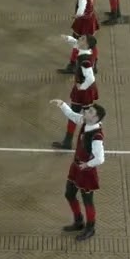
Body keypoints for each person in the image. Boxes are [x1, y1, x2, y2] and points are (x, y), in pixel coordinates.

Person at [50, 98, 106, 241]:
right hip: (76, 168)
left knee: (88, 201)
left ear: (96, 118)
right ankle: (79, 221)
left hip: (86, 173)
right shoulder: (86, 122)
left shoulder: (96, 137)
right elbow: (73, 116)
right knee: (69, 194)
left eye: (90, 111)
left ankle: (90, 228)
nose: (86, 111)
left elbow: (100, 158)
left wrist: (87, 165)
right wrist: (62, 104)